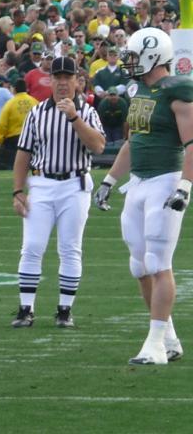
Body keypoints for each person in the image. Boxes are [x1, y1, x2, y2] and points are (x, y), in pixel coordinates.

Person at [94, 28, 192, 365]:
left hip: (165, 180)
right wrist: (110, 179)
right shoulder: (140, 90)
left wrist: (185, 186)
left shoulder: (178, 90)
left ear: (153, 55)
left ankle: (155, 346)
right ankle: (169, 339)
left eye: (134, 56)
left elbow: (192, 144)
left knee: (158, 263)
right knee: (139, 265)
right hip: (138, 182)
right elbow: (133, 141)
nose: (130, 63)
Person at [11, 57, 105, 329]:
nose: (63, 83)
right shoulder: (37, 112)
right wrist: (18, 190)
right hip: (42, 183)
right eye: (58, 77)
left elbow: (98, 146)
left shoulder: (87, 112)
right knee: (32, 246)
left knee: (70, 248)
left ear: (77, 81)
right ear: (50, 80)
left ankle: (65, 310)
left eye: (68, 77)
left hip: (74, 184)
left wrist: (74, 117)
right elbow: (23, 153)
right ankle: (26, 308)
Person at [0, 79, 38, 168]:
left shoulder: (9, 104)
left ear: (14, 89)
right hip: (33, 137)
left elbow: (2, 124)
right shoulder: (35, 102)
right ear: (26, 89)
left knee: (14, 166)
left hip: (14, 140)